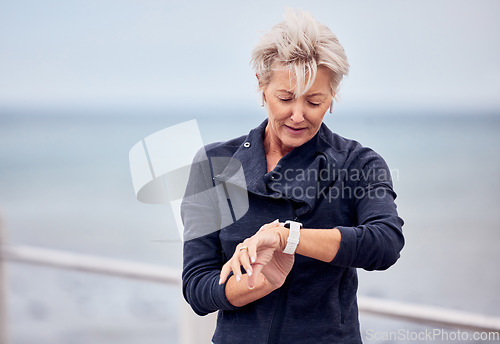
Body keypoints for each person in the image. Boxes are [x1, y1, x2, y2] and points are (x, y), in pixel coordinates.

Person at [181, 8, 404, 344]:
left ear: (332, 96)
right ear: (262, 87)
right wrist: (257, 282)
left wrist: (290, 238)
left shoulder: (358, 164)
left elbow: (385, 244)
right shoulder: (215, 163)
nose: (298, 116)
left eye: (314, 102)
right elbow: (198, 287)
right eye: (285, 98)